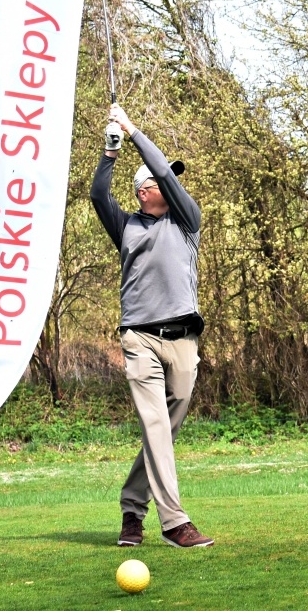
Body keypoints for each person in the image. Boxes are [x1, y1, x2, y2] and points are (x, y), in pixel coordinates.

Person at [90, 103, 214, 549]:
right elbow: (98, 195)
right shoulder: (126, 226)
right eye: (163, 182)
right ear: (144, 193)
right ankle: (174, 522)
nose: (172, 183)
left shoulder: (187, 222)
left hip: (183, 341)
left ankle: (131, 506)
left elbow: (163, 169)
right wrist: (111, 150)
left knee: (165, 429)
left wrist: (133, 129)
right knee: (156, 426)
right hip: (140, 338)